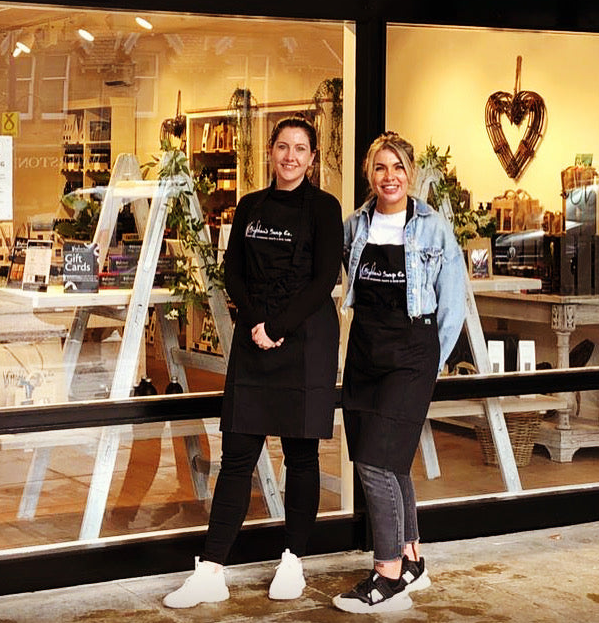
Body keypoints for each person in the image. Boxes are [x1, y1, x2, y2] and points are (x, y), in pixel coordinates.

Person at [163, 116, 343, 609]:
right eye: (283, 146)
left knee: (301, 457)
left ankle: (293, 561)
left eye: (300, 149)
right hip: (255, 336)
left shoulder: (325, 208)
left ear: (312, 158)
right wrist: (257, 321)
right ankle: (211, 570)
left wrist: (278, 326)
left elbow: (324, 278)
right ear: (270, 151)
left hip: (305, 341)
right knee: (237, 455)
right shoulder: (249, 206)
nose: (290, 156)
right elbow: (232, 272)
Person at [332, 132, 465, 614]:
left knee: (375, 460)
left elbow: (453, 302)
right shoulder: (355, 225)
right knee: (392, 461)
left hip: (412, 351)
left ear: (411, 173)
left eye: (398, 167)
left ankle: (386, 574)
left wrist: (431, 360)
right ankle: (411, 559)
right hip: (366, 349)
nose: (390, 177)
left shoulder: (433, 228)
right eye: (380, 167)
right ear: (370, 174)